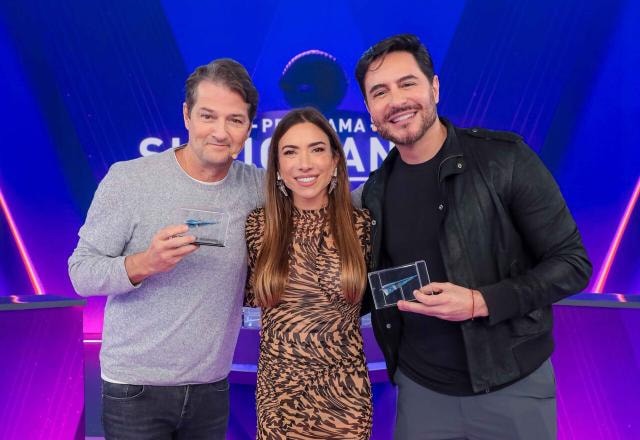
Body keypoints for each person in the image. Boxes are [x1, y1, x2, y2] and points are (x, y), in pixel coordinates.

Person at [352, 34, 592, 439]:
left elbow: (572, 263)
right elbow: (376, 289)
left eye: (407, 83)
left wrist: (481, 302)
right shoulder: (374, 192)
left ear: (434, 87)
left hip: (513, 387)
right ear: (370, 110)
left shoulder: (504, 159)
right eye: (380, 92)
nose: (396, 100)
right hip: (420, 394)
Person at [68, 58, 264, 439]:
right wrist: (144, 263)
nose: (220, 132)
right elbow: (81, 273)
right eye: (208, 116)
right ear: (187, 115)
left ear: (248, 128)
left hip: (211, 388)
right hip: (135, 390)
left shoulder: (256, 187)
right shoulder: (130, 180)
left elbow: (324, 197)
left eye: (235, 120)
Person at [245, 107, 372, 439]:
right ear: (277, 167)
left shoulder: (362, 226)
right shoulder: (258, 226)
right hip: (279, 402)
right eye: (290, 152)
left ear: (335, 160)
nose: (304, 163)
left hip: (346, 400)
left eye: (316, 149)